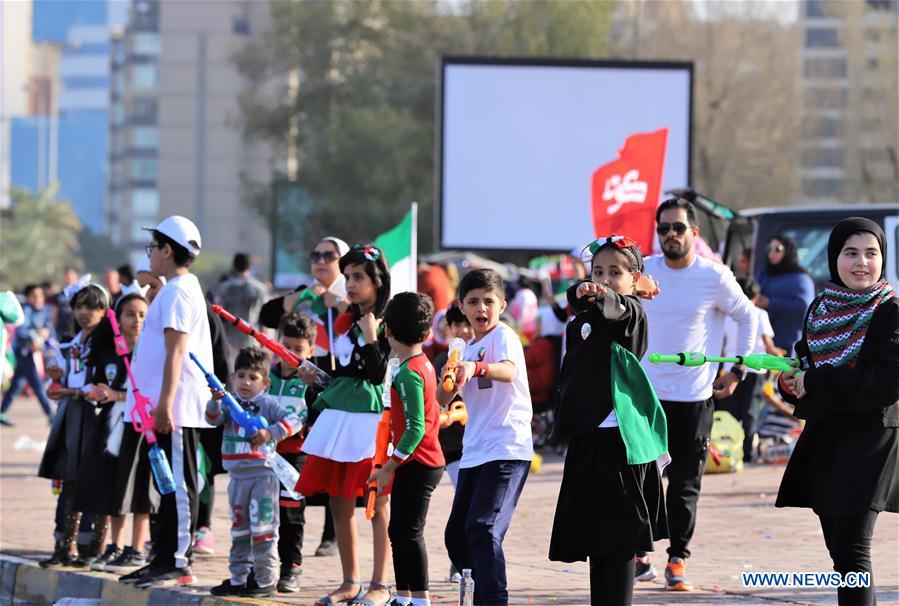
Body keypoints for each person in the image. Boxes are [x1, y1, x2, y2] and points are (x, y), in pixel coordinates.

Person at [638, 197, 758, 591]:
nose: (670, 235)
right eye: (663, 229)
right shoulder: (643, 273)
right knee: (640, 478)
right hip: (645, 396)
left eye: (678, 227)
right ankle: (639, 552)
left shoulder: (715, 276)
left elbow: (748, 317)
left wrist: (736, 368)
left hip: (693, 397)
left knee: (685, 483)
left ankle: (677, 558)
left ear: (694, 232)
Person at [777, 217, 897, 606]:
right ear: (834, 259)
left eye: (871, 253)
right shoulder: (820, 308)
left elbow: (884, 383)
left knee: (853, 550)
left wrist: (814, 382)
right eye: (851, 253)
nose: (862, 262)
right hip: (829, 437)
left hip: (874, 438)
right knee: (841, 553)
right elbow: (805, 363)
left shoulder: (890, 311)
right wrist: (791, 383)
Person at [549, 236, 668, 606]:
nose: (603, 278)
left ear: (635, 281)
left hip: (621, 443)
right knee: (594, 539)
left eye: (616, 272)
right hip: (588, 438)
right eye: (598, 271)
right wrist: (584, 290)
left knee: (618, 542)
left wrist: (602, 292)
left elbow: (614, 307)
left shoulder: (632, 314)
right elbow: (574, 299)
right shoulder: (585, 316)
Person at [118, 215, 214, 588]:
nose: (150, 255)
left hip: (175, 407)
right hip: (166, 405)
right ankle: (163, 556)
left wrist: (164, 404)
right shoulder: (175, 287)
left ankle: (177, 559)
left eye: (153, 247)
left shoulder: (177, 291)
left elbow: (177, 352)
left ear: (168, 250)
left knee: (179, 484)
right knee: (166, 482)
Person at [295, 244, 393, 606]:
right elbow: (348, 374)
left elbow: (380, 373)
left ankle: (380, 584)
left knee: (377, 503)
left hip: (373, 422)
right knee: (339, 500)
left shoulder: (387, 321)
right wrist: (316, 376)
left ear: (377, 281)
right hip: (341, 420)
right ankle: (350, 580)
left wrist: (371, 336)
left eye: (359, 277)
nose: (350, 284)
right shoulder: (347, 322)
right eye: (348, 276)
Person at [440, 269, 533, 606]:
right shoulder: (464, 348)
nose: (482, 308)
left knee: (483, 528)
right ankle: (482, 588)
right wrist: (448, 376)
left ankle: (493, 599)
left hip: (507, 446)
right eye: (473, 301)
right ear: (461, 307)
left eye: (489, 301)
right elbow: (441, 400)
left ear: (502, 305)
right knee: (457, 536)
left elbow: (508, 371)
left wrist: (475, 369)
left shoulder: (503, 335)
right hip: (475, 451)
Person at [259, 236, 350, 557]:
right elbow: (268, 316)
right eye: (316, 255)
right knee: (306, 451)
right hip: (301, 378)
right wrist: (296, 300)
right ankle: (288, 534)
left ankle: (332, 533)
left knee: (334, 453)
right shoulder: (304, 294)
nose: (321, 261)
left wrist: (338, 304)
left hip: (336, 376)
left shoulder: (348, 292)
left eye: (329, 255)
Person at [205, 347, 301, 597]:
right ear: (233, 377)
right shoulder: (229, 403)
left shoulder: (268, 405)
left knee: (263, 529)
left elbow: (295, 420)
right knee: (239, 530)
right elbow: (211, 418)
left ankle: (266, 580)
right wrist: (216, 399)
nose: (246, 382)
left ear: (265, 382)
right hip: (236, 478)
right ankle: (238, 578)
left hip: (263, 477)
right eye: (241, 375)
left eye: (253, 377)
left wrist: (271, 433)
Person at [369, 292, 445, 606]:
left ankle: (421, 600)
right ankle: (403, 598)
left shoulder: (408, 373)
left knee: (409, 533)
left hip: (418, 463)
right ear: (426, 333)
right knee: (399, 532)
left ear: (386, 330)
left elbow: (416, 427)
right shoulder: (420, 362)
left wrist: (389, 466)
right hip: (416, 462)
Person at [73, 293, 149, 571]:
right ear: (117, 317)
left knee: (139, 489)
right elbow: (95, 385)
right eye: (131, 314)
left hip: (140, 428)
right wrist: (99, 393)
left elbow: (149, 393)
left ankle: (137, 548)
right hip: (109, 429)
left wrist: (117, 395)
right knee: (113, 487)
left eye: (143, 314)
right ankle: (115, 546)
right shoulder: (108, 350)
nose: (137, 321)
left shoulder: (151, 350)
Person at [38, 281, 111, 567]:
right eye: (79, 306)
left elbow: (100, 386)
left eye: (92, 306)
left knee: (96, 480)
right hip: (71, 417)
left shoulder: (108, 347)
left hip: (97, 417)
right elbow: (61, 386)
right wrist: (57, 382)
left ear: (104, 310)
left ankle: (91, 547)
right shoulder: (69, 345)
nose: (85, 312)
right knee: (69, 480)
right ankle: (63, 545)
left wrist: (71, 391)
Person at [269, 312, 321, 592]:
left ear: (310, 351)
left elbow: (318, 416)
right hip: (263, 454)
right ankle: (262, 566)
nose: (290, 354)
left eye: (298, 350)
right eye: (285, 345)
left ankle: (291, 567)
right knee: (264, 512)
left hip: (294, 456)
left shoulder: (312, 383)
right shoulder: (265, 375)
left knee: (291, 514)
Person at [717, 277, 785, 462]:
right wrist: (781, 358)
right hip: (754, 370)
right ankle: (746, 454)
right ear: (755, 296)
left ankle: (728, 452)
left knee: (729, 413)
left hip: (729, 369)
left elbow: (722, 347)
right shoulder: (759, 314)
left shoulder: (727, 315)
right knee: (750, 413)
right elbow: (768, 345)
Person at [1, 284, 56, 425]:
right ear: (28, 297)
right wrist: (37, 334)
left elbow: (50, 331)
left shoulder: (43, 312)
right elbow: (22, 331)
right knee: (37, 384)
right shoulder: (25, 310)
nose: (38, 299)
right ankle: (50, 415)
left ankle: (2, 412)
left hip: (35, 354)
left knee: (17, 385)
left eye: (41, 295)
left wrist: (46, 335)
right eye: (35, 296)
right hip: (24, 353)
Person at [755, 234, 815, 354]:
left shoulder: (800, 278)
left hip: (788, 342)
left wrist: (770, 303)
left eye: (778, 249)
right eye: (769, 249)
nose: (772, 253)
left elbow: (804, 306)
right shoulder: (764, 273)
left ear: (788, 251)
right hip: (762, 342)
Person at [218, 252, 269, 356]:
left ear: (234, 266)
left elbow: (220, 314)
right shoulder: (260, 289)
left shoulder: (224, 288)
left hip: (229, 339)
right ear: (250, 266)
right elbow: (265, 317)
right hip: (251, 338)